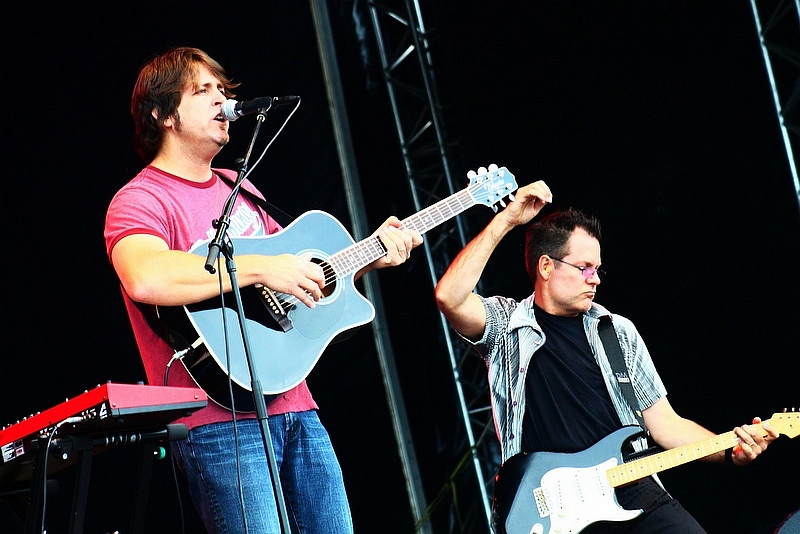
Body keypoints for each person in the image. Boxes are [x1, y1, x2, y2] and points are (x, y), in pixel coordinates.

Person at [104, 47, 422, 533]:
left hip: (298, 408)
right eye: (202, 90)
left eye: (223, 90)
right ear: (162, 113)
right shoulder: (142, 198)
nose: (223, 101)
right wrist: (260, 268)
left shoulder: (240, 187)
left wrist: (372, 254)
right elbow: (146, 277)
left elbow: (294, 282)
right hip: (217, 422)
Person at [433, 181, 778, 533]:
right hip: (550, 511)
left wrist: (729, 450)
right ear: (547, 267)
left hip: (632, 492)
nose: (595, 279)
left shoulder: (617, 332)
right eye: (584, 268)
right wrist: (507, 219)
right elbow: (450, 296)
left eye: (597, 269)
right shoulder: (508, 325)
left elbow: (665, 424)